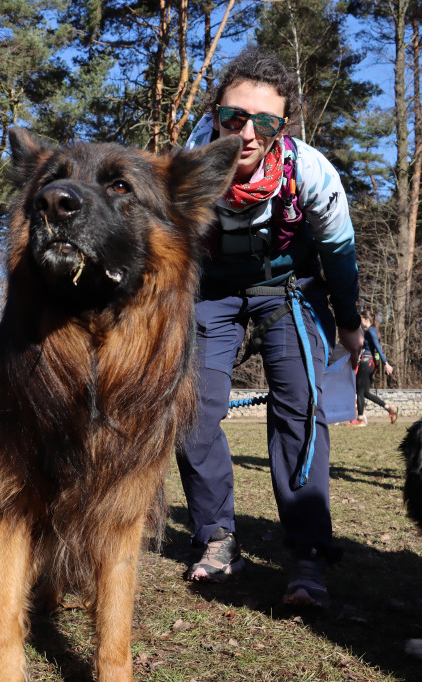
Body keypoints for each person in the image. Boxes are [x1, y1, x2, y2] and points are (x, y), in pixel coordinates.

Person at [176, 47, 363, 608]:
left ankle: (307, 553)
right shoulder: (185, 169)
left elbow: (339, 255)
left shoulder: (311, 172)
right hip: (211, 291)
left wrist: (349, 323)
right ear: (214, 115)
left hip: (289, 287)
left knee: (300, 408)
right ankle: (216, 538)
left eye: (265, 122)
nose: (247, 133)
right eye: (234, 117)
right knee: (192, 410)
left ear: (284, 125)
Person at [347, 310, 398, 426]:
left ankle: (360, 420)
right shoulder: (372, 331)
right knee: (365, 392)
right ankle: (390, 409)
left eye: (361, 319)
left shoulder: (371, 331)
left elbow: (377, 347)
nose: (359, 322)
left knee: (360, 391)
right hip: (370, 363)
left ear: (366, 319)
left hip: (366, 363)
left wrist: (386, 363)